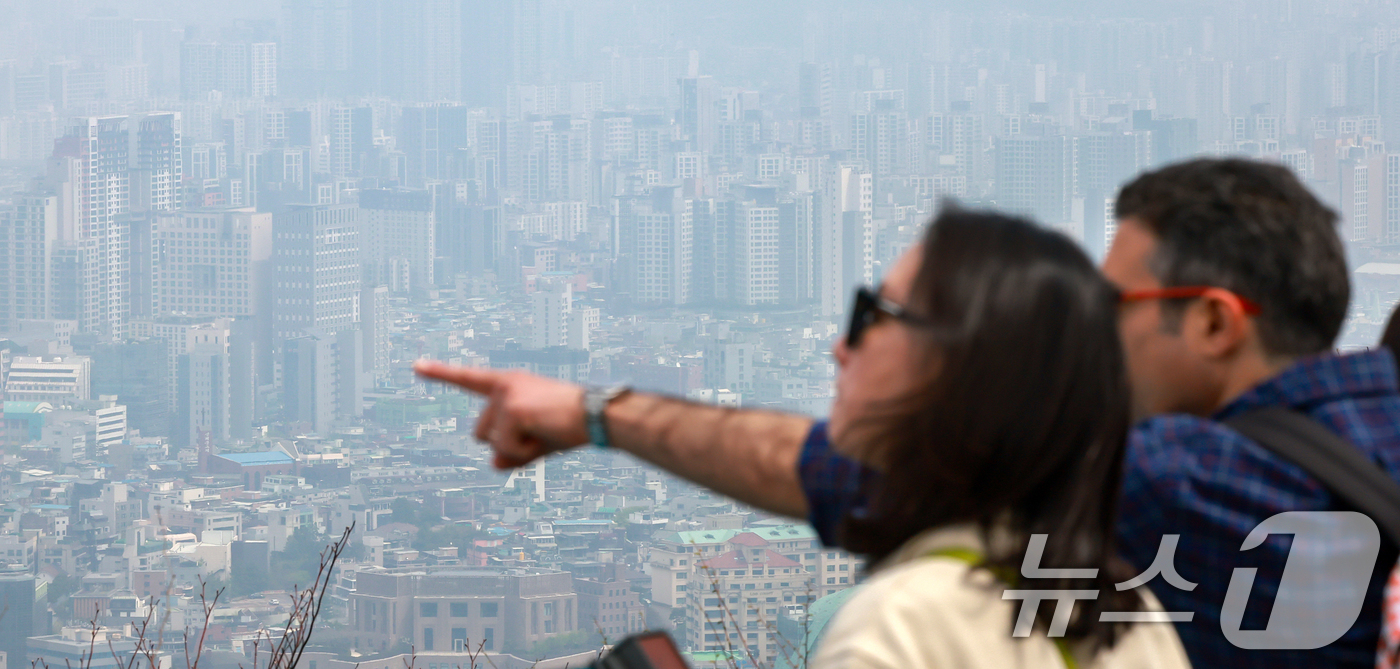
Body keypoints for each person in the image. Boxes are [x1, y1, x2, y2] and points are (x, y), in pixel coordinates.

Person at [415, 158, 1400, 667]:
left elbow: (848, 470)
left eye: (1116, 305)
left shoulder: (1180, 481)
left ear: (1215, 322)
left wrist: (595, 414)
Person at [799, 209, 1190, 668]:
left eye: (874, 313)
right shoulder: (1135, 621)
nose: (841, 348)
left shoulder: (898, 625)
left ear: (961, 366)